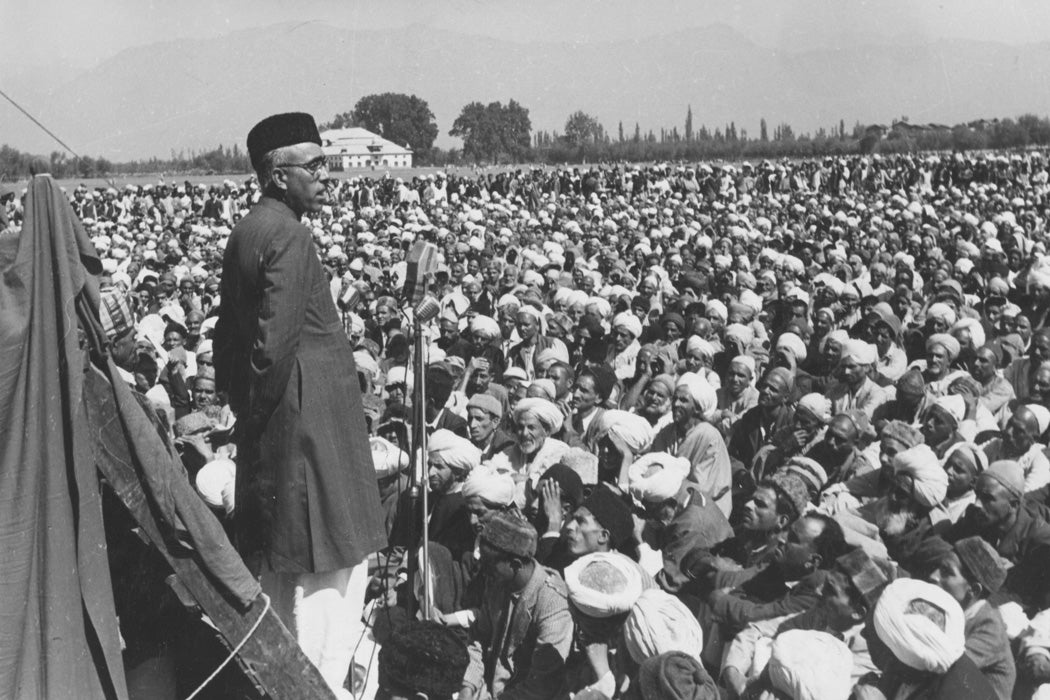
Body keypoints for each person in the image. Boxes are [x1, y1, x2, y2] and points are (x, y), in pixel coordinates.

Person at [213, 112, 385, 698]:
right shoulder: (290, 234)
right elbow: (271, 347)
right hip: (311, 438)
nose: (327, 175)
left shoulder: (249, 230)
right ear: (276, 175)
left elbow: (227, 343)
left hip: (287, 432)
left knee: (288, 583)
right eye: (314, 166)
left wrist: (247, 418)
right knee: (326, 588)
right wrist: (260, 422)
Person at [460, 511, 574, 700]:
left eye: (489, 564)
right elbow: (478, 639)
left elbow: (542, 685)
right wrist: (467, 686)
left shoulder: (552, 603)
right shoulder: (497, 582)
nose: (483, 570)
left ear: (515, 564)